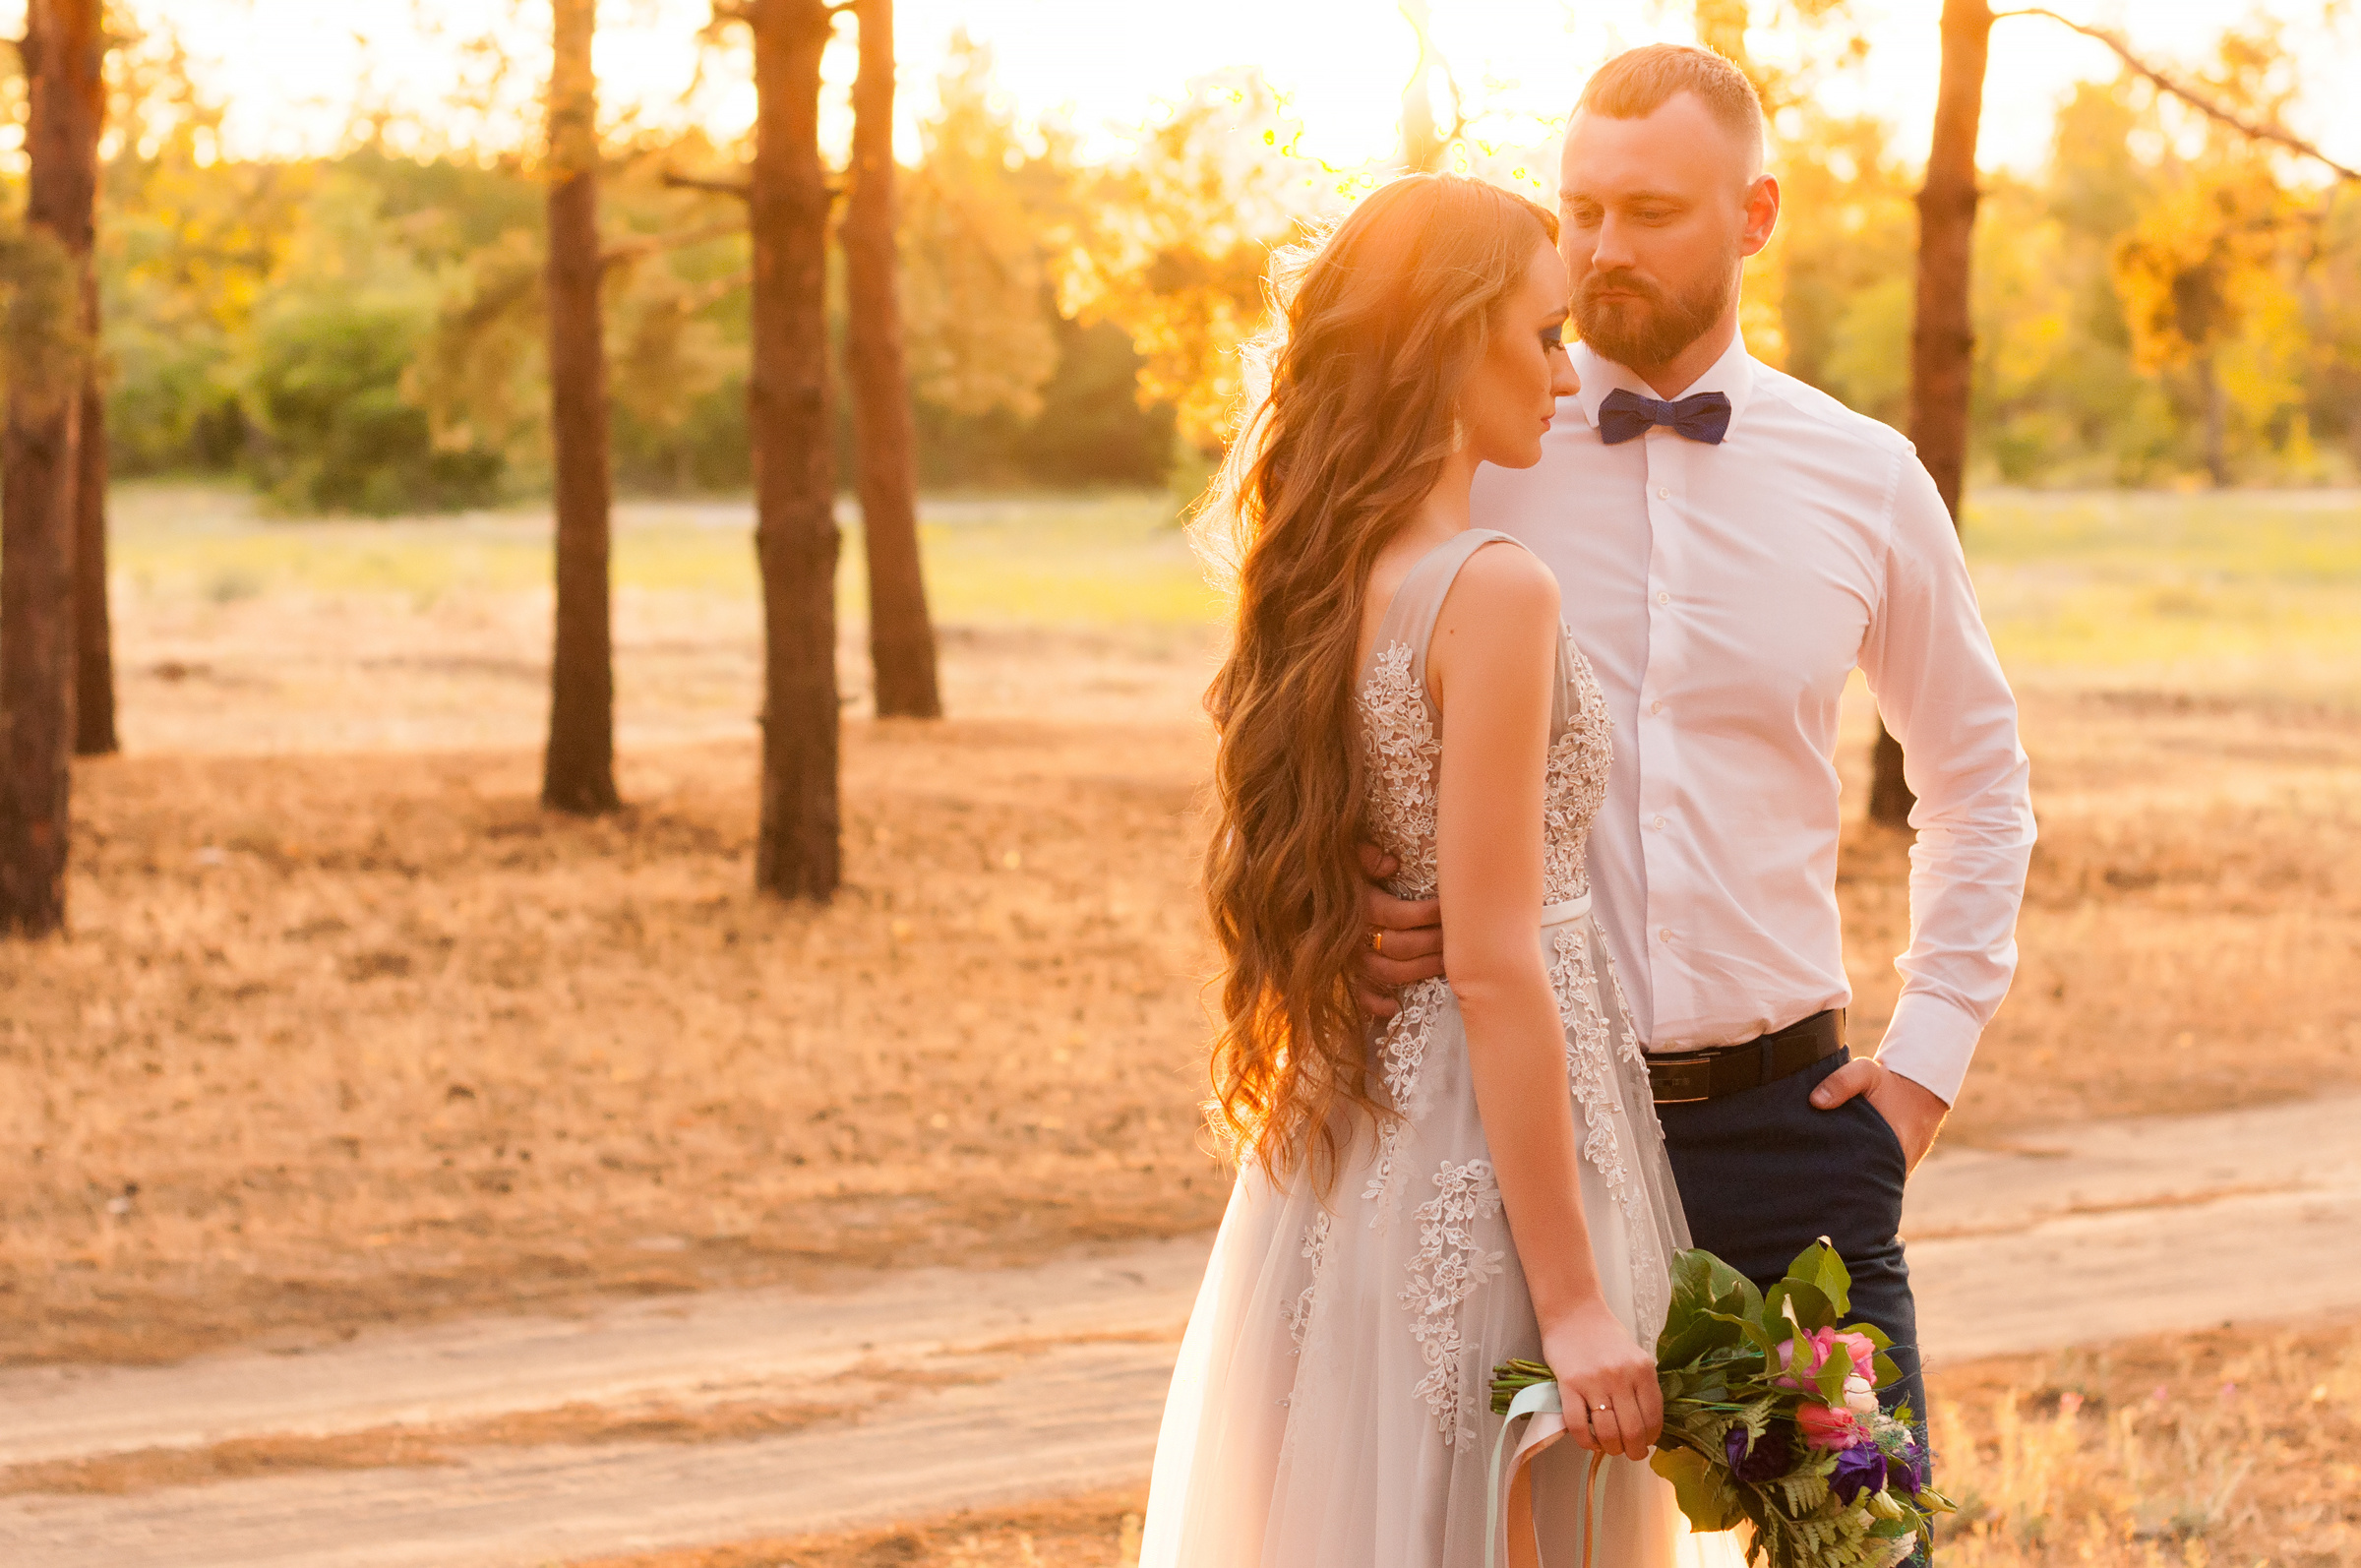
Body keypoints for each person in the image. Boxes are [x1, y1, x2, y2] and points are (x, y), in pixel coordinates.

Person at [1359, 43, 2037, 1525]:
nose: (1602, 249)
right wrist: (1352, 906)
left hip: (1787, 1136)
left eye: (1652, 210)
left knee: (1862, 1549)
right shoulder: (1483, 457)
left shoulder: (1866, 477)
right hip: (1515, 1134)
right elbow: (1349, 712)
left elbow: (1978, 773)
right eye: (1581, 207)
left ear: (1756, 214)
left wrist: (1920, 1067)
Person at [1139, 173, 1740, 1568]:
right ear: (1450, 338)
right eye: (1538, 336)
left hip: (1347, 1146)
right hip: (1495, 1136)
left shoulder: (1325, 571)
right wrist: (1579, 1300)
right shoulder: (1496, 587)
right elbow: (1493, 955)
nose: (1564, 371)